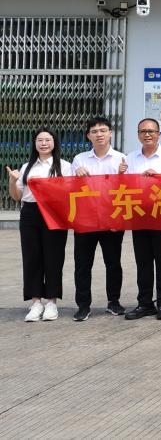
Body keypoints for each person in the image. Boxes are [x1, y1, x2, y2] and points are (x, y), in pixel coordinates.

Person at [7, 128, 71, 322]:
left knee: (53, 258)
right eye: (40, 140)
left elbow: (69, 193)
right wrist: (13, 181)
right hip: (30, 213)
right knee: (32, 257)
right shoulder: (27, 166)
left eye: (47, 140)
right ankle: (36, 303)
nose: (44, 143)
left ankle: (51, 302)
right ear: (34, 144)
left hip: (54, 213)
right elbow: (17, 196)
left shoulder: (64, 166)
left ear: (54, 143)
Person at [69, 117, 126, 320]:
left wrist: (119, 219)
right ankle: (83, 305)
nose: (99, 134)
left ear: (110, 133)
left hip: (112, 220)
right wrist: (76, 175)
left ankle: (114, 302)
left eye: (103, 130)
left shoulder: (121, 159)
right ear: (88, 136)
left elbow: (128, 190)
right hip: (86, 220)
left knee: (113, 263)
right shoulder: (79, 159)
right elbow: (70, 189)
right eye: (94, 131)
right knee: (82, 265)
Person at [124, 118, 161, 321]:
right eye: (143, 131)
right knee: (143, 262)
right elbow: (124, 185)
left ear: (158, 134)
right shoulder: (130, 157)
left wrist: (159, 177)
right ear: (138, 135)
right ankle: (145, 303)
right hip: (139, 214)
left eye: (151, 131)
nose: (147, 134)